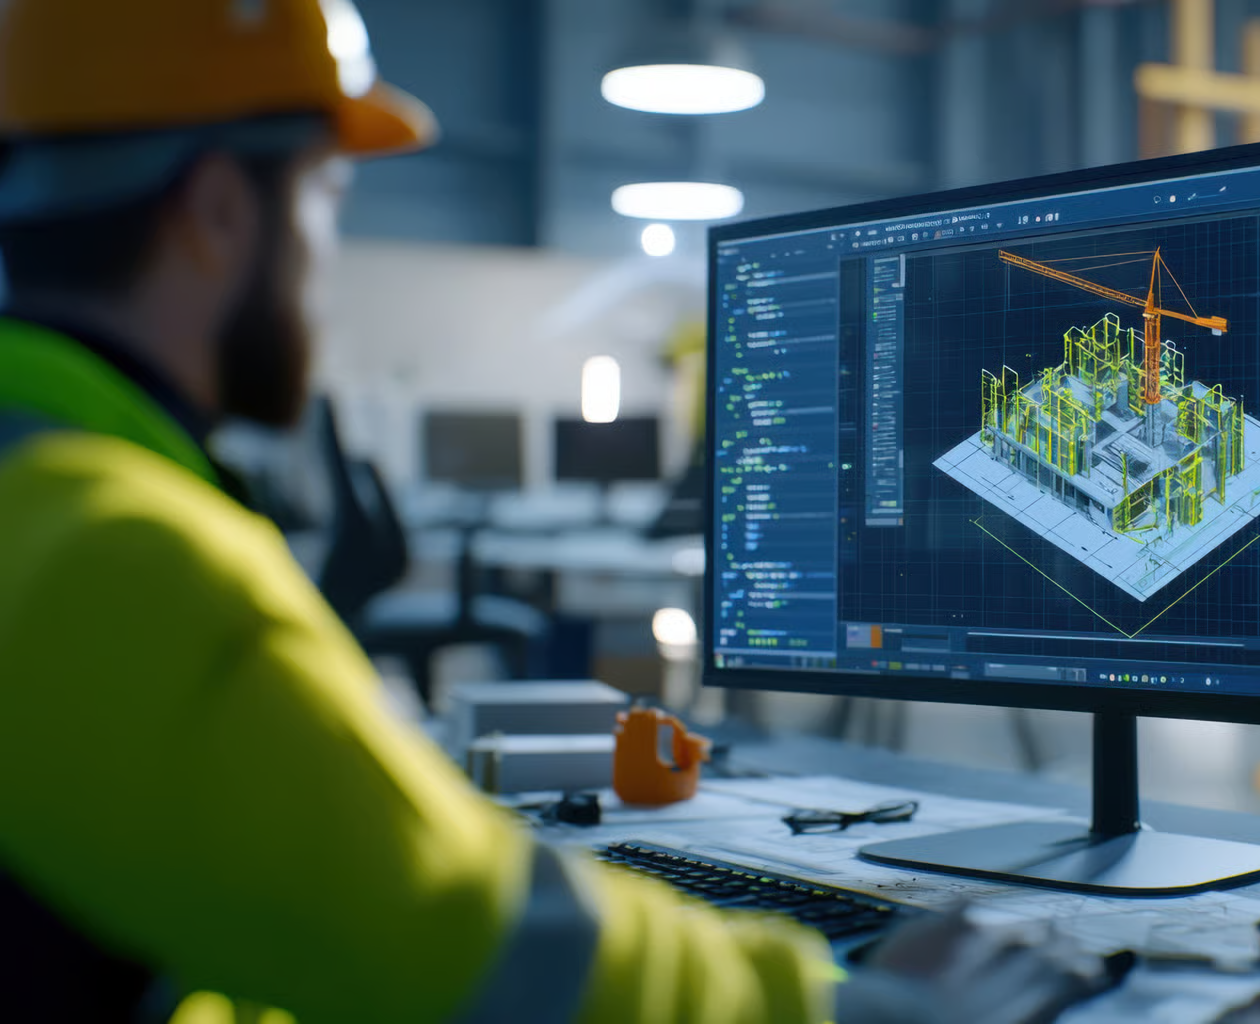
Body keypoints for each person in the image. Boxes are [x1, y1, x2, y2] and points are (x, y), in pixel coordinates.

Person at [0, 2, 1104, 1022]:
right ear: (219, 208)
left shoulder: (42, 497)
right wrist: (853, 1002)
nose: (321, 259)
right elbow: (476, 947)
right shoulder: (116, 556)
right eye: (328, 197)